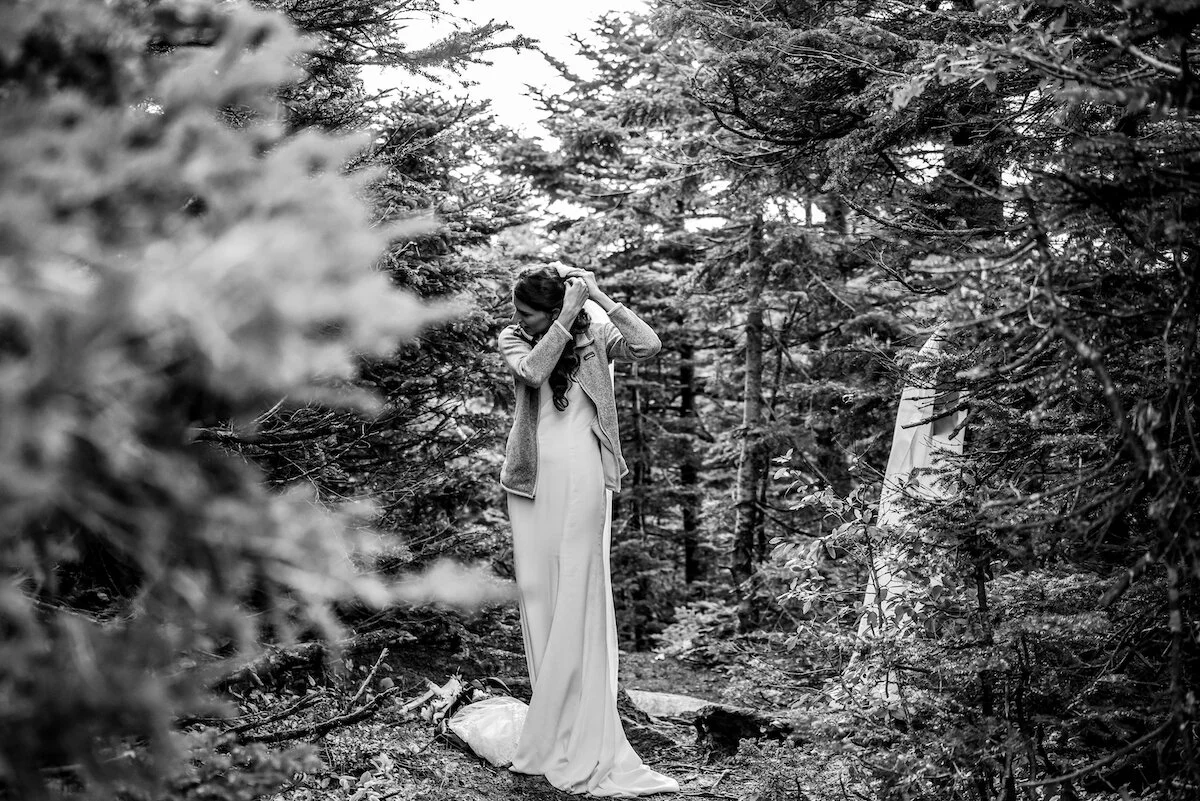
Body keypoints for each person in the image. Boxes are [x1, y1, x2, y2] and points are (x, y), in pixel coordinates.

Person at [497, 264, 679, 797]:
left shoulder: (595, 331)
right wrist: (565, 317)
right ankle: (550, 717)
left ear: (551, 309)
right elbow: (532, 373)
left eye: (528, 312)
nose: (518, 320)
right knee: (540, 596)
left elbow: (648, 347)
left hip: (581, 469)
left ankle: (583, 725)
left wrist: (597, 298)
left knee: (578, 585)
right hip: (530, 481)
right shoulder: (513, 337)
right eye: (519, 313)